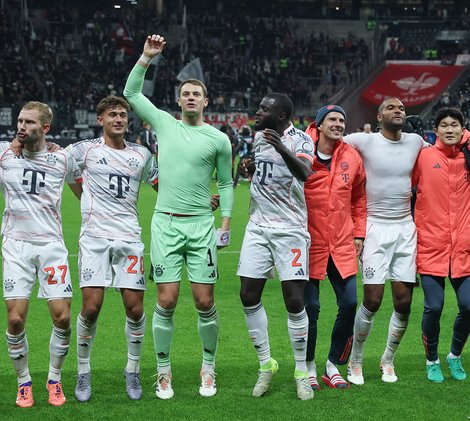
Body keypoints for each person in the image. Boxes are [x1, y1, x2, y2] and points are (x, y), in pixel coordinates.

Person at [124, 34, 233, 399]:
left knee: (205, 301)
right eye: (184, 93)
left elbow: (228, 183)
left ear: (205, 101)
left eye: (195, 94)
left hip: (202, 224)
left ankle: (208, 367)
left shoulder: (219, 139)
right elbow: (132, 95)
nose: (190, 97)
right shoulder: (164, 124)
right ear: (178, 100)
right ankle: (164, 372)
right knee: (167, 300)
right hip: (166, 223)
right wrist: (146, 57)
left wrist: (226, 221)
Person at [68, 96, 156, 402]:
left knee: (134, 308)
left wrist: (199, 200)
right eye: (112, 115)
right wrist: (83, 198)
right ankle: (82, 372)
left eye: (122, 114)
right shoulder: (85, 149)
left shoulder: (141, 155)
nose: (118, 119)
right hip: (94, 238)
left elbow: (164, 186)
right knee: (91, 308)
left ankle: (132, 370)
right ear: (100, 120)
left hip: (129, 238)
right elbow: (59, 166)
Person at [236, 93, 315, 400]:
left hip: (290, 229)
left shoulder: (302, 140)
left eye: (264, 109)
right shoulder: (258, 138)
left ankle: (300, 372)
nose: (257, 112)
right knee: (247, 294)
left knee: (294, 300)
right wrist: (250, 169)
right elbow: (262, 170)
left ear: (281, 116)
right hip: (258, 226)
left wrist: (281, 147)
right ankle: (266, 364)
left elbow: (305, 173)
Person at [343, 98, 426, 385]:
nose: (398, 111)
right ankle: (355, 360)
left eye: (401, 108)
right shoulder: (364, 141)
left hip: (405, 228)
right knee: (373, 299)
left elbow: (444, 147)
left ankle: (388, 359)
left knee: (404, 303)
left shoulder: (415, 142)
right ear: (379, 117)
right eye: (391, 108)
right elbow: (329, 137)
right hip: (375, 227)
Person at [1, 102, 78, 407]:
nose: (21, 126)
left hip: (51, 247)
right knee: (16, 319)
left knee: (62, 317)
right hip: (16, 246)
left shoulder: (62, 159)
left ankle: (54, 379)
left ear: (45, 128)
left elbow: (84, 188)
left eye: (29, 122)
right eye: (19, 121)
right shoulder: (5, 154)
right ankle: (23, 383)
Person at [414, 107, 470, 383]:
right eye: (443, 125)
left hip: (466, 245)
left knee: (468, 307)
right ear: (436, 130)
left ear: (462, 129)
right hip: (432, 244)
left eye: (454, 125)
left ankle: (454, 355)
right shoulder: (423, 157)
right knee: (434, 307)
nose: (449, 129)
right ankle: (431, 360)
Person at [302, 105, 366, 390]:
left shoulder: (352, 157)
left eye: (342, 119)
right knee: (311, 308)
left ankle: (332, 364)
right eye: (332, 119)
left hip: (341, 241)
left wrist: (360, 234)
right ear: (319, 124)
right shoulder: (302, 152)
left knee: (350, 303)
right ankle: (308, 366)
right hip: (308, 242)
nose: (338, 124)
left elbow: (359, 199)